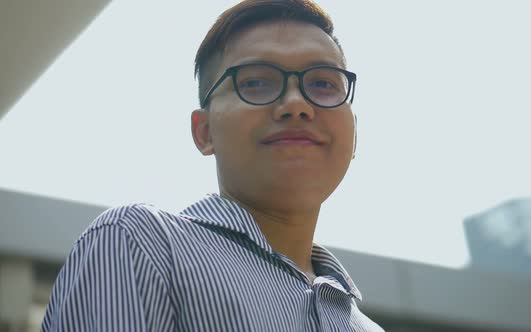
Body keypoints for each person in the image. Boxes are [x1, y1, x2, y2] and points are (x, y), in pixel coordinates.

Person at [41, 0, 383, 331]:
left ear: (354, 134)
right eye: (255, 82)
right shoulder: (140, 243)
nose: (296, 104)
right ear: (203, 132)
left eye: (323, 83)